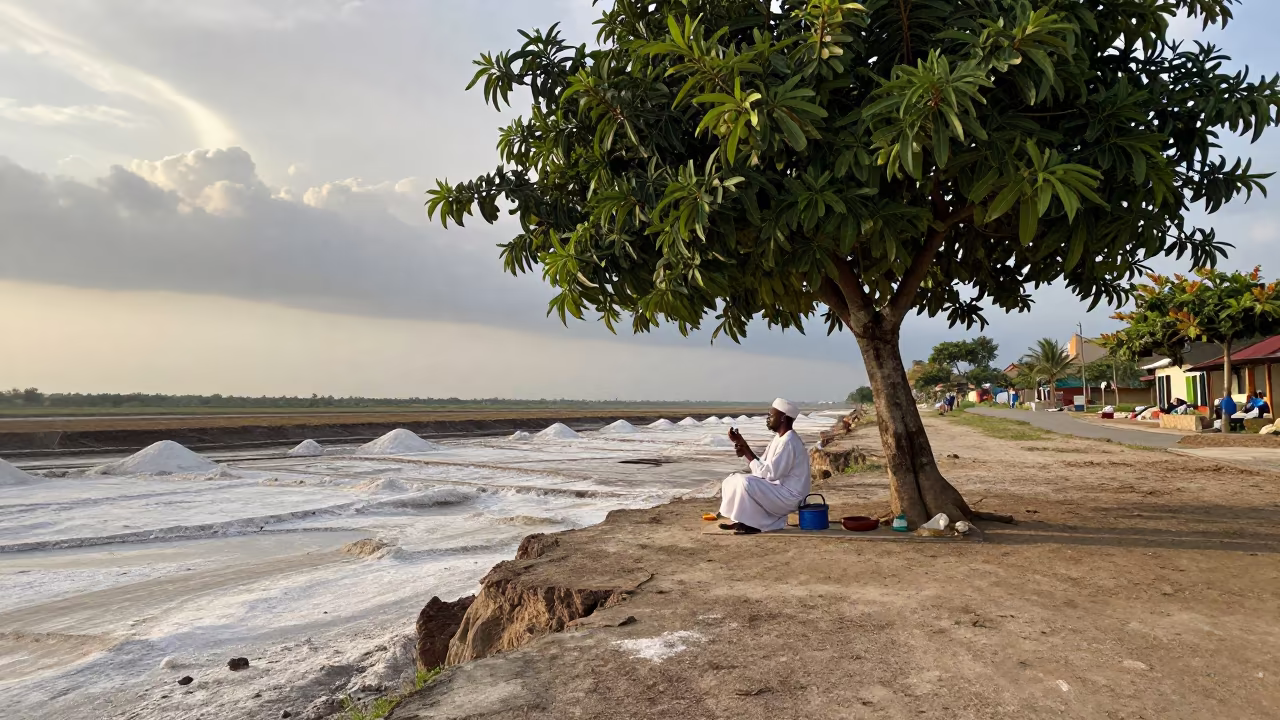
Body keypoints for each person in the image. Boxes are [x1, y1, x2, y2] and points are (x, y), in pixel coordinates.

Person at [718, 398, 811, 535]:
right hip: (777, 490)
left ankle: (757, 524)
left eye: (771, 416)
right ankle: (745, 520)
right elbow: (762, 465)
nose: (767, 419)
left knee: (746, 483)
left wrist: (746, 452)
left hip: (789, 496)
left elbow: (770, 474)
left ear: (783, 418)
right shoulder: (779, 438)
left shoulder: (789, 441)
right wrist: (743, 446)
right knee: (733, 479)